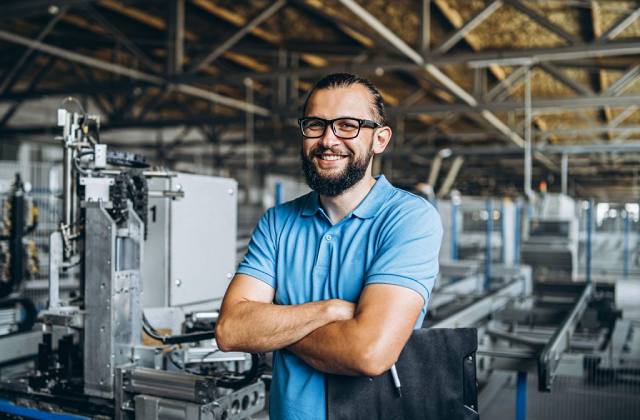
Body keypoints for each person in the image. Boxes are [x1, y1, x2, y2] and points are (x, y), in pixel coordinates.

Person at [216, 73, 442, 420]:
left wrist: (273, 331)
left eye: (348, 125)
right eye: (316, 125)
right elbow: (231, 329)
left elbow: (368, 353)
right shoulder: (278, 222)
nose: (328, 139)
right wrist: (331, 310)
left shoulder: (409, 219)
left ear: (380, 139)